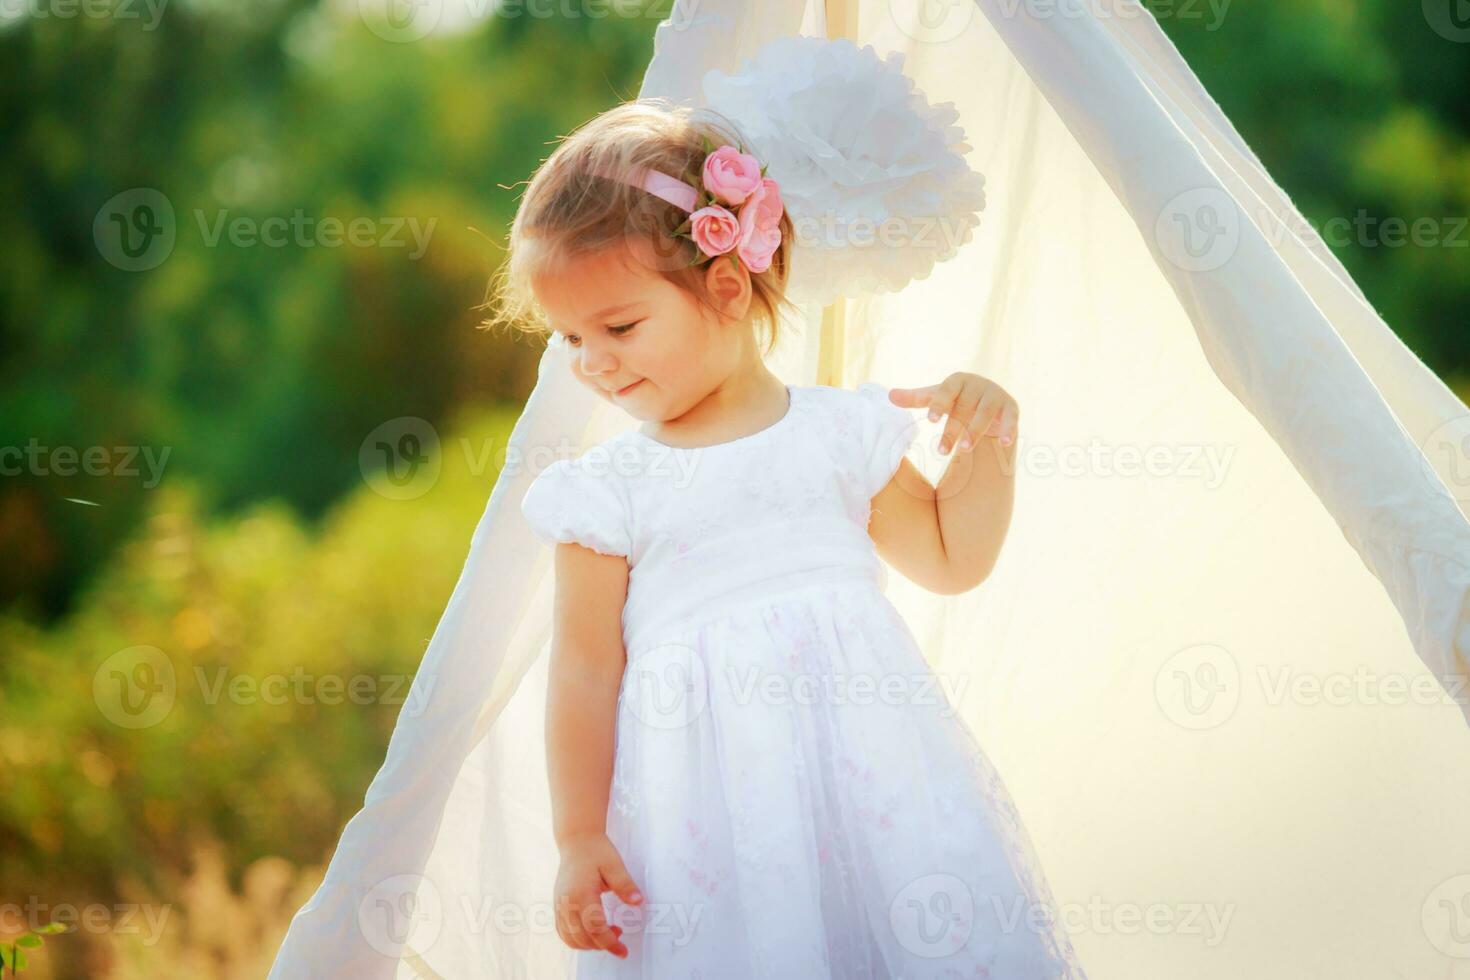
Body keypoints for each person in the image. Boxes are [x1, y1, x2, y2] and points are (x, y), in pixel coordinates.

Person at [493, 98, 1090, 978]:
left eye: (618, 328)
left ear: (727, 288)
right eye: (571, 338)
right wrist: (579, 834)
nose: (592, 362)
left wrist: (987, 444)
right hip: (710, 825)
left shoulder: (837, 435)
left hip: (873, 799)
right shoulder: (604, 496)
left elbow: (951, 558)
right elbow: (584, 672)